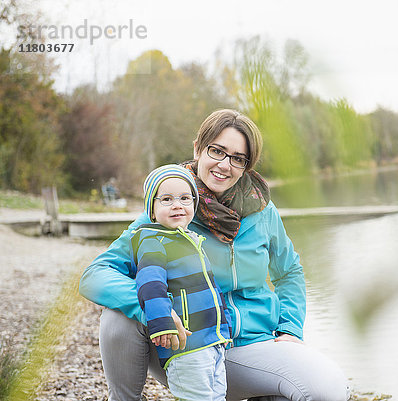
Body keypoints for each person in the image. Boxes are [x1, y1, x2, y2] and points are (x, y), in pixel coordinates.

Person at [79, 109, 348, 401]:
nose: (224, 165)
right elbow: (95, 275)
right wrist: (153, 309)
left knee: (327, 390)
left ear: (247, 165)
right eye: (217, 151)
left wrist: (290, 329)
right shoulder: (171, 208)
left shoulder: (263, 211)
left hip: (253, 348)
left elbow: (289, 272)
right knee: (117, 316)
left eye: (237, 158)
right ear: (198, 148)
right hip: (188, 348)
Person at [133, 164, 232, 400]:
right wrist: (162, 323)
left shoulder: (194, 241)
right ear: (153, 211)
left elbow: (212, 289)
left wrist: (224, 328)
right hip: (186, 345)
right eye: (167, 199)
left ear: (194, 206)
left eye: (185, 198)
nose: (177, 204)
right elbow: (150, 285)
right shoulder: (153, 242)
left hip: (213, 342)